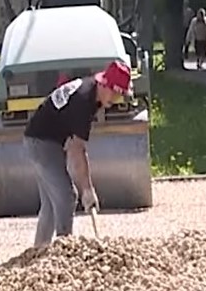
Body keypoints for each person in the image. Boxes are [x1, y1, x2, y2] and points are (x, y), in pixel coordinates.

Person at [24, 60, 133, 248]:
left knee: (52, 204)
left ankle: (38, 251)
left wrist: (86, 185)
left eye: (120, 94)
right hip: (41, 143)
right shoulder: (83, 100)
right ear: (104, 84)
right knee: (67, 197)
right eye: (115, 92)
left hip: (48, 141)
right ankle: (63, 253)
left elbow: (76, 148)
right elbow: (77, 150)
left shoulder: (92, 92)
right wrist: (87, 190)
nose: (116, 98)